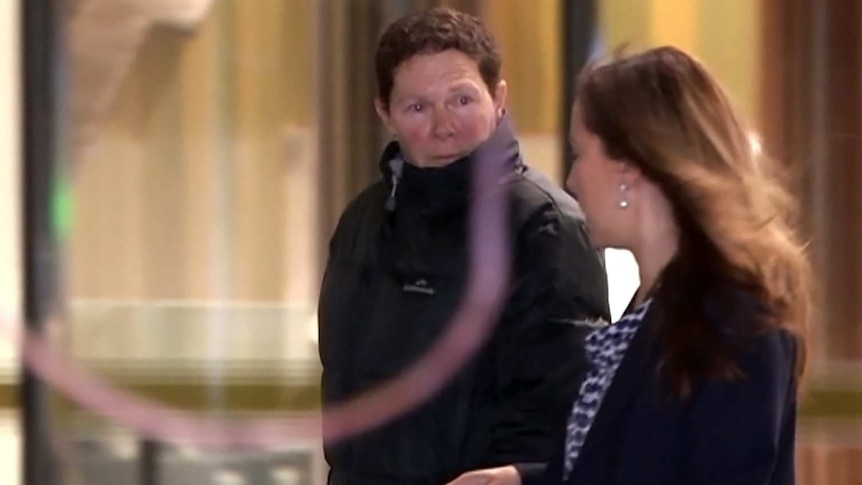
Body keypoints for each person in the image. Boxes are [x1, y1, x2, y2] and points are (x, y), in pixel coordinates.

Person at [447, 46, 811, 485]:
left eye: (580, 154)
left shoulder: (733, 318)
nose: (571, 180)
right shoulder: (654, 308)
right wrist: (523, 480)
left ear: (628, 169)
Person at [317, 7, 610, 485]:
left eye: (461, 100)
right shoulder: (363, 222)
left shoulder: (543, 228)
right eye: (417, 107)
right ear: (384, 113)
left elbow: (555, 415)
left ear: (499, 100)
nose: (443, 125)